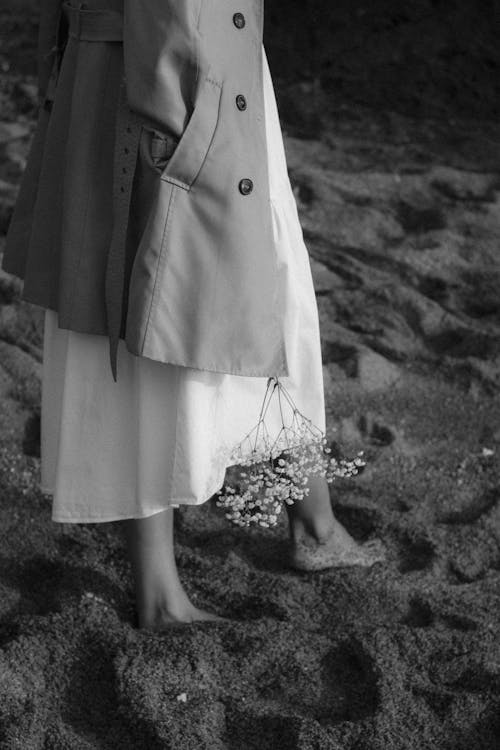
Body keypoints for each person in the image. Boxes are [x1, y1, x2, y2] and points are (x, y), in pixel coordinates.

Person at [2, 0, 385, 630]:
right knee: (143, 300)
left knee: (261, 276)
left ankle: (313, 518)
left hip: (207, 48)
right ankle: (161, 592)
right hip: (156, 61)